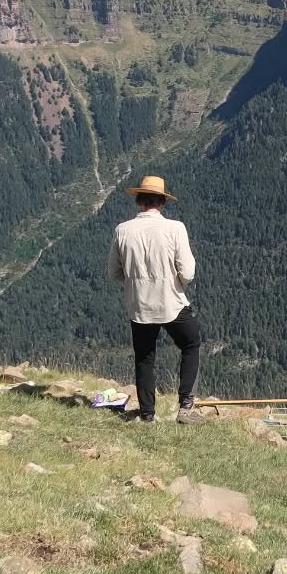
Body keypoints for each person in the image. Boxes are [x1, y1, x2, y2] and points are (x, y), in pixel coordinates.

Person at [107, 175, 205, 425]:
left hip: (139, 305)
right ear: (162, 202)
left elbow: (114, 273)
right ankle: (185, 406)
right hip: (171, 302)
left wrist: (136, 285)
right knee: (191, 344)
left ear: (139, 200)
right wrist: (174, 283)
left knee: (145, 357)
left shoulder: (122, 230)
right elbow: (188, 272)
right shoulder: (175, 229)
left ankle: (147, 414)